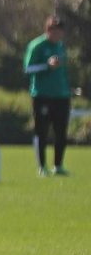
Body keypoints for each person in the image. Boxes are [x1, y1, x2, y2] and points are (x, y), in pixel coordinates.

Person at [25, 15, 72, 177]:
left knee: (61, 132)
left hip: (61, 96)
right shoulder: (37, 46)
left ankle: (58, 166)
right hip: (42, 96)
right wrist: (47, 66)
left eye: (60, 32)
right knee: (41, 131)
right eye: (54, 32)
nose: (57, 35)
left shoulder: (60, 47)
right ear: (47, 30)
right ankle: (42, 166)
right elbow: (28, 69)